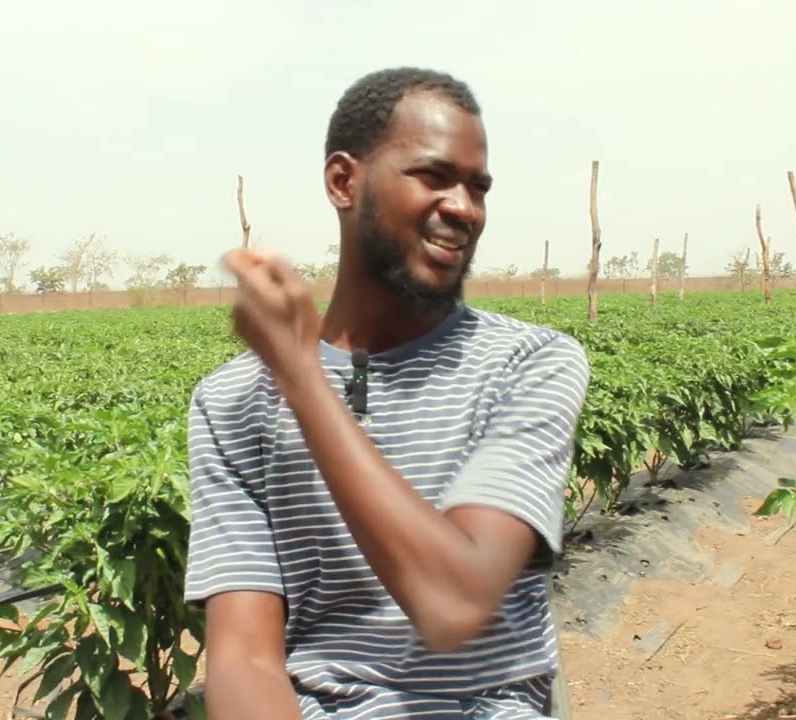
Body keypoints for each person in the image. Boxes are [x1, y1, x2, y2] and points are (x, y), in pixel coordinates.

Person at [182, 66, 591, 719]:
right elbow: (244, 658)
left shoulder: (528, 365)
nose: (464, 207)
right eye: (434, 176)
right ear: (344, 182)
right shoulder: (230, 402)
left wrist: (302, 380)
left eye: (477, 187)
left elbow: (454, 603)